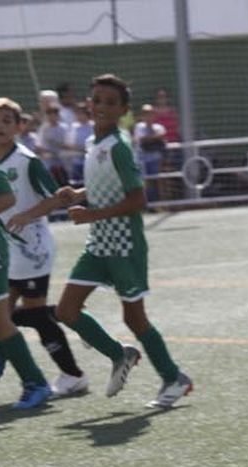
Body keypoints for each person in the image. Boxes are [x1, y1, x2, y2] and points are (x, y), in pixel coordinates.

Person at [54, 74, 192, 408]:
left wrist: (92, 214)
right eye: (96, 99)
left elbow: (137, 199)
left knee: (135, 318)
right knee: (66, 310)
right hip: (98, 243)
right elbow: (106, 186)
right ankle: (121, 354)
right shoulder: (93, 142)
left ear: (123, 110)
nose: (101, 106)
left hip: (124, 246)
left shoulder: (118, 145)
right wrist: (79, 194)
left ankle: (174, 379)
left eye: (110, 102)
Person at [0, 100, 69, 409]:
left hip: (31, 248)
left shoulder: (26, 160)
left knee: (22, 316)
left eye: (6, 120)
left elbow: (54, 198)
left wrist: (27, 215)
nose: (0, 126)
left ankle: (62, 374)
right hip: (9, 246)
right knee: (6, 317)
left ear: (19, 126)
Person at [132, 104, 167, 202]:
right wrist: (154, 138)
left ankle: (159, 203)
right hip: (142, 158)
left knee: (157, 179)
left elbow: (162, 136)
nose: (148, 116)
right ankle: (146, 203)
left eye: (150, 114)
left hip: (156, 158)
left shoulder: (158, 127)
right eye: (145, 114)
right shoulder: (139, 126)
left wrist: (149, 139)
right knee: (144, 181)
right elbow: (141, 140)